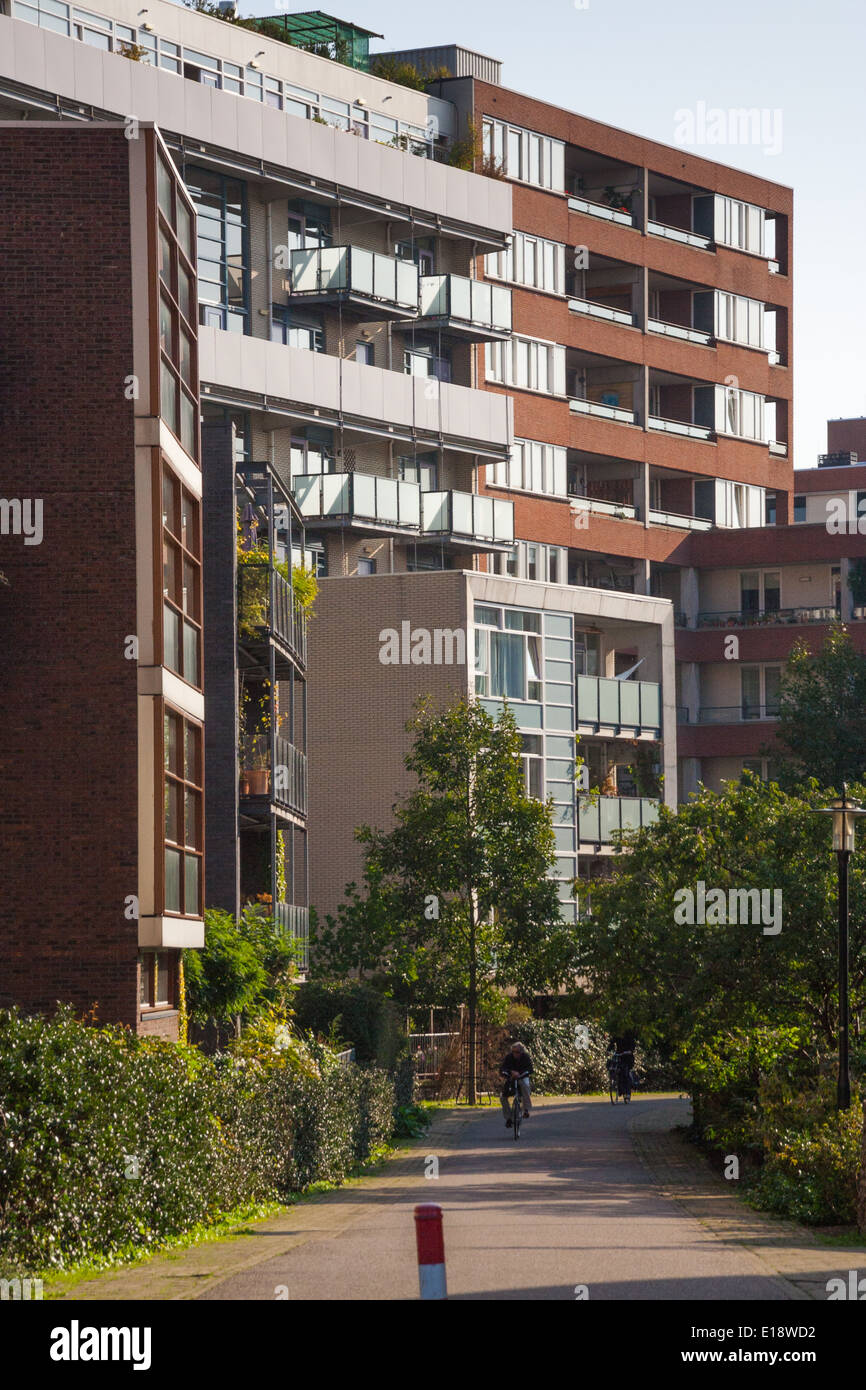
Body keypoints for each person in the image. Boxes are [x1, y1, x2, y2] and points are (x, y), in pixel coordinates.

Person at [499, 1040, 533, 1127]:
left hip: (522, 1077)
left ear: (521, 1052)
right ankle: (508, 1118)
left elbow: (530, 1069)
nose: (515, 1054)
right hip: (511, 1078)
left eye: (517, 1052)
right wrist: (510, 1072)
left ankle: (526, 1109)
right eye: (513, 1052)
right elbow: (503, 1068)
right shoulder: (509, 1057)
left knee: (525, 1086)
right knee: (503, 1096)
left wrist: (520, 1073)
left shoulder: (526, 1057)